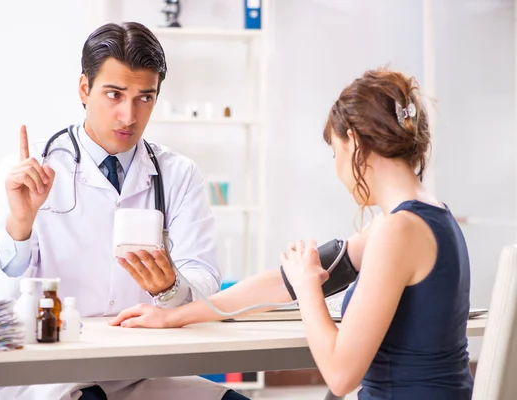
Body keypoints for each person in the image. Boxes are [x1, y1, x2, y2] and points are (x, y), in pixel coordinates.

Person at [111, 68, 475, 399]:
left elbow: (340, 375)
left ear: (353, 142)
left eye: (335, 152)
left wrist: (308, 289)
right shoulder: (425, 217)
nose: (338, 170)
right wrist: (173, 315)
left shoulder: (398, 231)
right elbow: (280, 283)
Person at [0, 22, 249, 400]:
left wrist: (169, 288)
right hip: (50, 376)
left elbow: (205, 282)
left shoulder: (178, 174)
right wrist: (20, 224)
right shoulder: (25, 170)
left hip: (142, 372)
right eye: (114, 95)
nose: (129, 116)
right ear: (85, 89)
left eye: (144, 98)